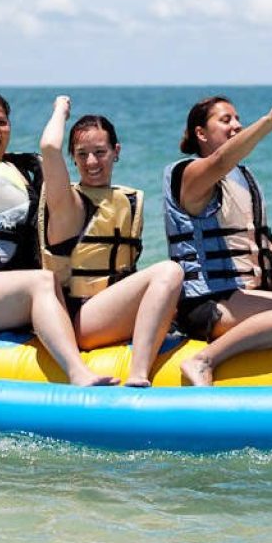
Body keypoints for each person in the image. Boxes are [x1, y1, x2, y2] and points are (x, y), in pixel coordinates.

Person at [0, 24, 115, 386]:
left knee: (53, 280)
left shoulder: (21, 170)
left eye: (2, 121)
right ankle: (77, 373)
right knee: (41, 282)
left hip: (9, 291)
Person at [164, 95, 272, 386]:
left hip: (246, 297)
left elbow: (264, 243)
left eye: (238, 119)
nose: (236, 125)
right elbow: (220, 160)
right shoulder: (189, 175)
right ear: (201, 133)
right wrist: (271, 122)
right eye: (225, 120)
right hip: (208, 303)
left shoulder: (243, 177)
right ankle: (203, 360)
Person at [38, 97, 184, 387]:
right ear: (73, 157)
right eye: (82, 154)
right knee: (170, 271)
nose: (91, 162)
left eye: (100, 152)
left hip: (112, 315)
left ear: (116, 151)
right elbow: (49, 148)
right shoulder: (68, 203)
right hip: (79, 320)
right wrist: (61, 111)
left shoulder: (127, 200)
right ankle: (138, 374)